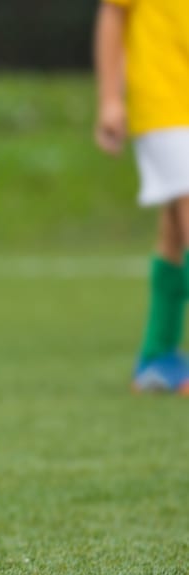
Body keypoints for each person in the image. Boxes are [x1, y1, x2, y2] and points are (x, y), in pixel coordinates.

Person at [94, 0, 189, 394]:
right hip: (166, 101)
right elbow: (114, 14)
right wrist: (110, 99)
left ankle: (156, 357)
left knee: (174, 228)